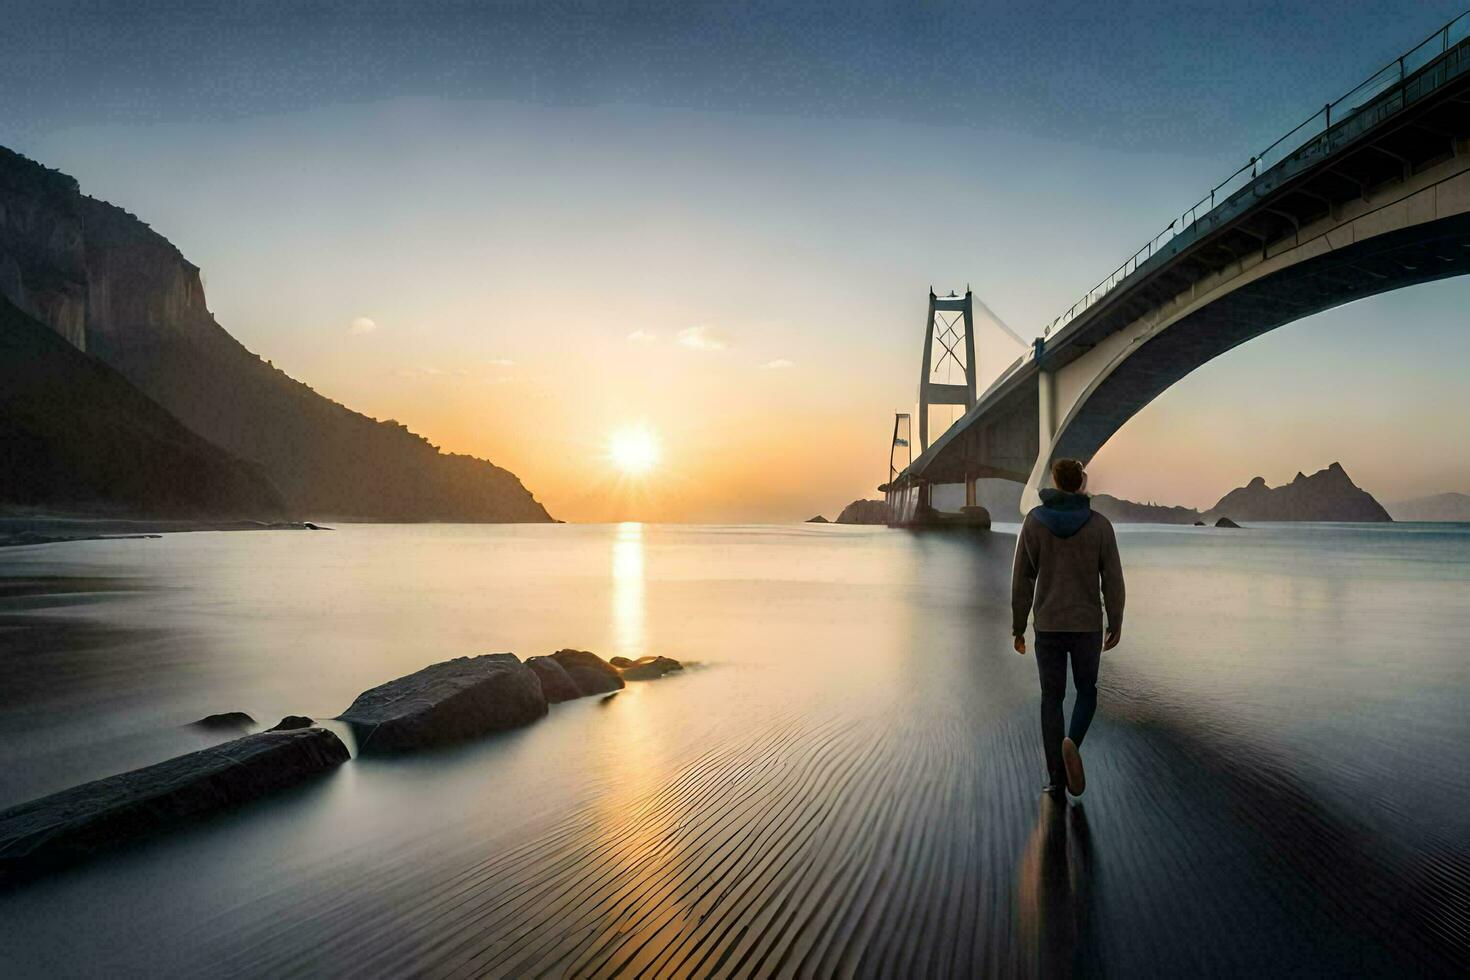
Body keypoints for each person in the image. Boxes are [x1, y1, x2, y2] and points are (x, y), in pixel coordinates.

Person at [1011, 458, 1125, 798]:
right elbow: (1113, 580)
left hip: (1047, 626)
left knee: (1052, 698)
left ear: (1056, 484)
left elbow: (1022, 579)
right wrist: (1115, 621)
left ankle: (1056, 780)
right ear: (1080, 485)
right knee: (1087, 691)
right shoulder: (1100, 525)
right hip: (1087, 626)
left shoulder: (1033, 522)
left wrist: (1018, 626)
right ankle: (1071, 742)